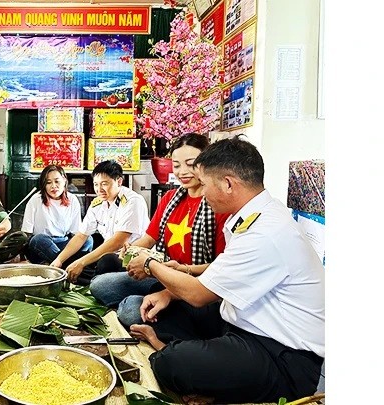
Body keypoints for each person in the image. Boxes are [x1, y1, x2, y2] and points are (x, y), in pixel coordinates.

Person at [126, 136, 324, 404]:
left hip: (282, 356)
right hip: (240, 324)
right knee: (165, 306)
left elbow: (197, 294)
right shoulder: (254, 214)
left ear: (229, 183)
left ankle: (184, 361)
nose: (202, 193)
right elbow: (226, 269)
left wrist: (150, 264)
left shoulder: (265, 232)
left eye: (205, 184)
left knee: (171, 364)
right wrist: (180, 274)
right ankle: (206, 369)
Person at [90, 133, 230, 327]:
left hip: (198, 285)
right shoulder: (171, 198)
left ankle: (158, 308)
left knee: (129, 310)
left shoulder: (218, 204)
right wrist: (131, 250)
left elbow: (221, 267)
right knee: (100, 285)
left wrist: (174, 276)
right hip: (163, 274)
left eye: (190, 163)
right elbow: (149, 238)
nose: (182, 172)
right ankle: (156, 306)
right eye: (177, 164)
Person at [51, 160, 149, 286]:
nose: (99, 189)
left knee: (107, 261)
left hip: (130, 259)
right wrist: (59, 260)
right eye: (96, 184)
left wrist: (81, 263)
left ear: (119, 181)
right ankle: (95, 281)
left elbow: (118, 241)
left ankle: (96, 282)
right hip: (108, 255)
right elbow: (81, 235)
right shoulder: (97, 203)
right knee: (67, 262)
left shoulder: (133, 201)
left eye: (104, 184)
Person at [21, 165, 93, 265]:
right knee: (38, 239)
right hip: (42, 245)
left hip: (64, 244)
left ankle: (58, 265)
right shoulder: (35, 200)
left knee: (88, 240)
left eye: (57, 181)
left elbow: (76, 233)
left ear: (64, 181)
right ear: (43, 185)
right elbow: (26, 233)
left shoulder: (72, 199)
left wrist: (66, 252)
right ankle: (69, 267)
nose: (53, 186)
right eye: (48, 182)